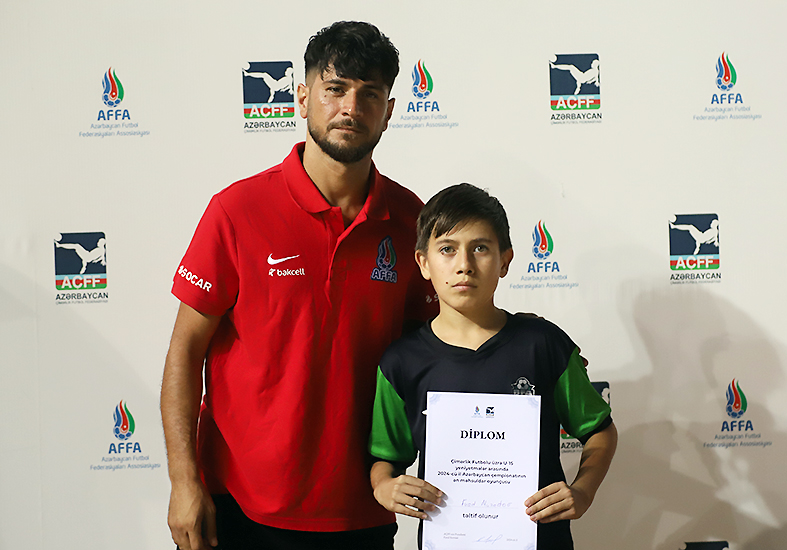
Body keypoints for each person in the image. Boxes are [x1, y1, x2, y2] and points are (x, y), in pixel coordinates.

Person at [161, 21, 437, 550]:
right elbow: (184, 351)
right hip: (240, 505)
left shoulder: (413, 222)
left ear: (389, 111)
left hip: (364, 507)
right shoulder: (237, 211)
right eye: (335, 89)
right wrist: (183, 482)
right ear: (303, 98)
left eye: (369, 94)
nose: (350, 108)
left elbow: (437, 351)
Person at [369, 183, 618, 549]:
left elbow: (600, 431)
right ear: (423, 263)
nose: (464, 265)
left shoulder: (543, 345)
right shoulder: (401, 362)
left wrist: (583, 491)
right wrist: (383, 486)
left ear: (505, 260)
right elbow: (385, 457)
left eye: (480, 248)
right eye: (447, 249)